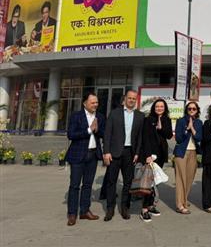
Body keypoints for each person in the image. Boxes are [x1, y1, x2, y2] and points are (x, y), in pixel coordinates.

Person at [103, 89, 144, 221]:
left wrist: (137, 153)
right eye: (129, 98)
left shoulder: (140, 116)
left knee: (128, 182)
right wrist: (106, 152)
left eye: (134, 98)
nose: (131, 100)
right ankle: (110, 209)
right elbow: (107, 134)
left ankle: (125, 208)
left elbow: (140, 138)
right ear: (125, 99)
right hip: (114, 153)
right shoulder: (114, 114)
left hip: (130, 153)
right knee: (111, 182)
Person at [65, 92, 105, 226]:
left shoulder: (99, 116)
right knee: (75, 185)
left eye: (97, 102)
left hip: (93, 155)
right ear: (85, 103)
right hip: (77, 155)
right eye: (93, 102)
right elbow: (71, 134)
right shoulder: (76, 116)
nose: (95, 105)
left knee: (88, 185)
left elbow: (103, 133)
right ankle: (72, 214)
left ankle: (84, 211)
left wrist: (98, 130)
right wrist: (89, 130)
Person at [139, 99, 173, 222]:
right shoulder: (148, 120)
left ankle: (151, 205)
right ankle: (144, 210)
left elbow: (168, 135)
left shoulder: (166, 120)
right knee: (148, 183)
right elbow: (145, 138)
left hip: (161, 155)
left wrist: (161, 127)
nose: (159, 108)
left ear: (165, 108)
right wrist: (147, 155)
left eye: (162, 106)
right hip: (150, 155)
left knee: (155, 183)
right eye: (157, 106)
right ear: (154, 108)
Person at [173, 101, 202, 214]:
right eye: (189, 109)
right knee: (181, 179)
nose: (191, 110)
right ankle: (180, 204)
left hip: (193, 152)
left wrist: (192, 129)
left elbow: (199, 138)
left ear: (197, 110)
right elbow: (178, 139)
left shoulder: (199, 122)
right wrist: (186, 130)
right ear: (186, 110)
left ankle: (184, 198)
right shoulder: (181, 121)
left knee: (189, 178)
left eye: (194, 109)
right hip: (181, 153)